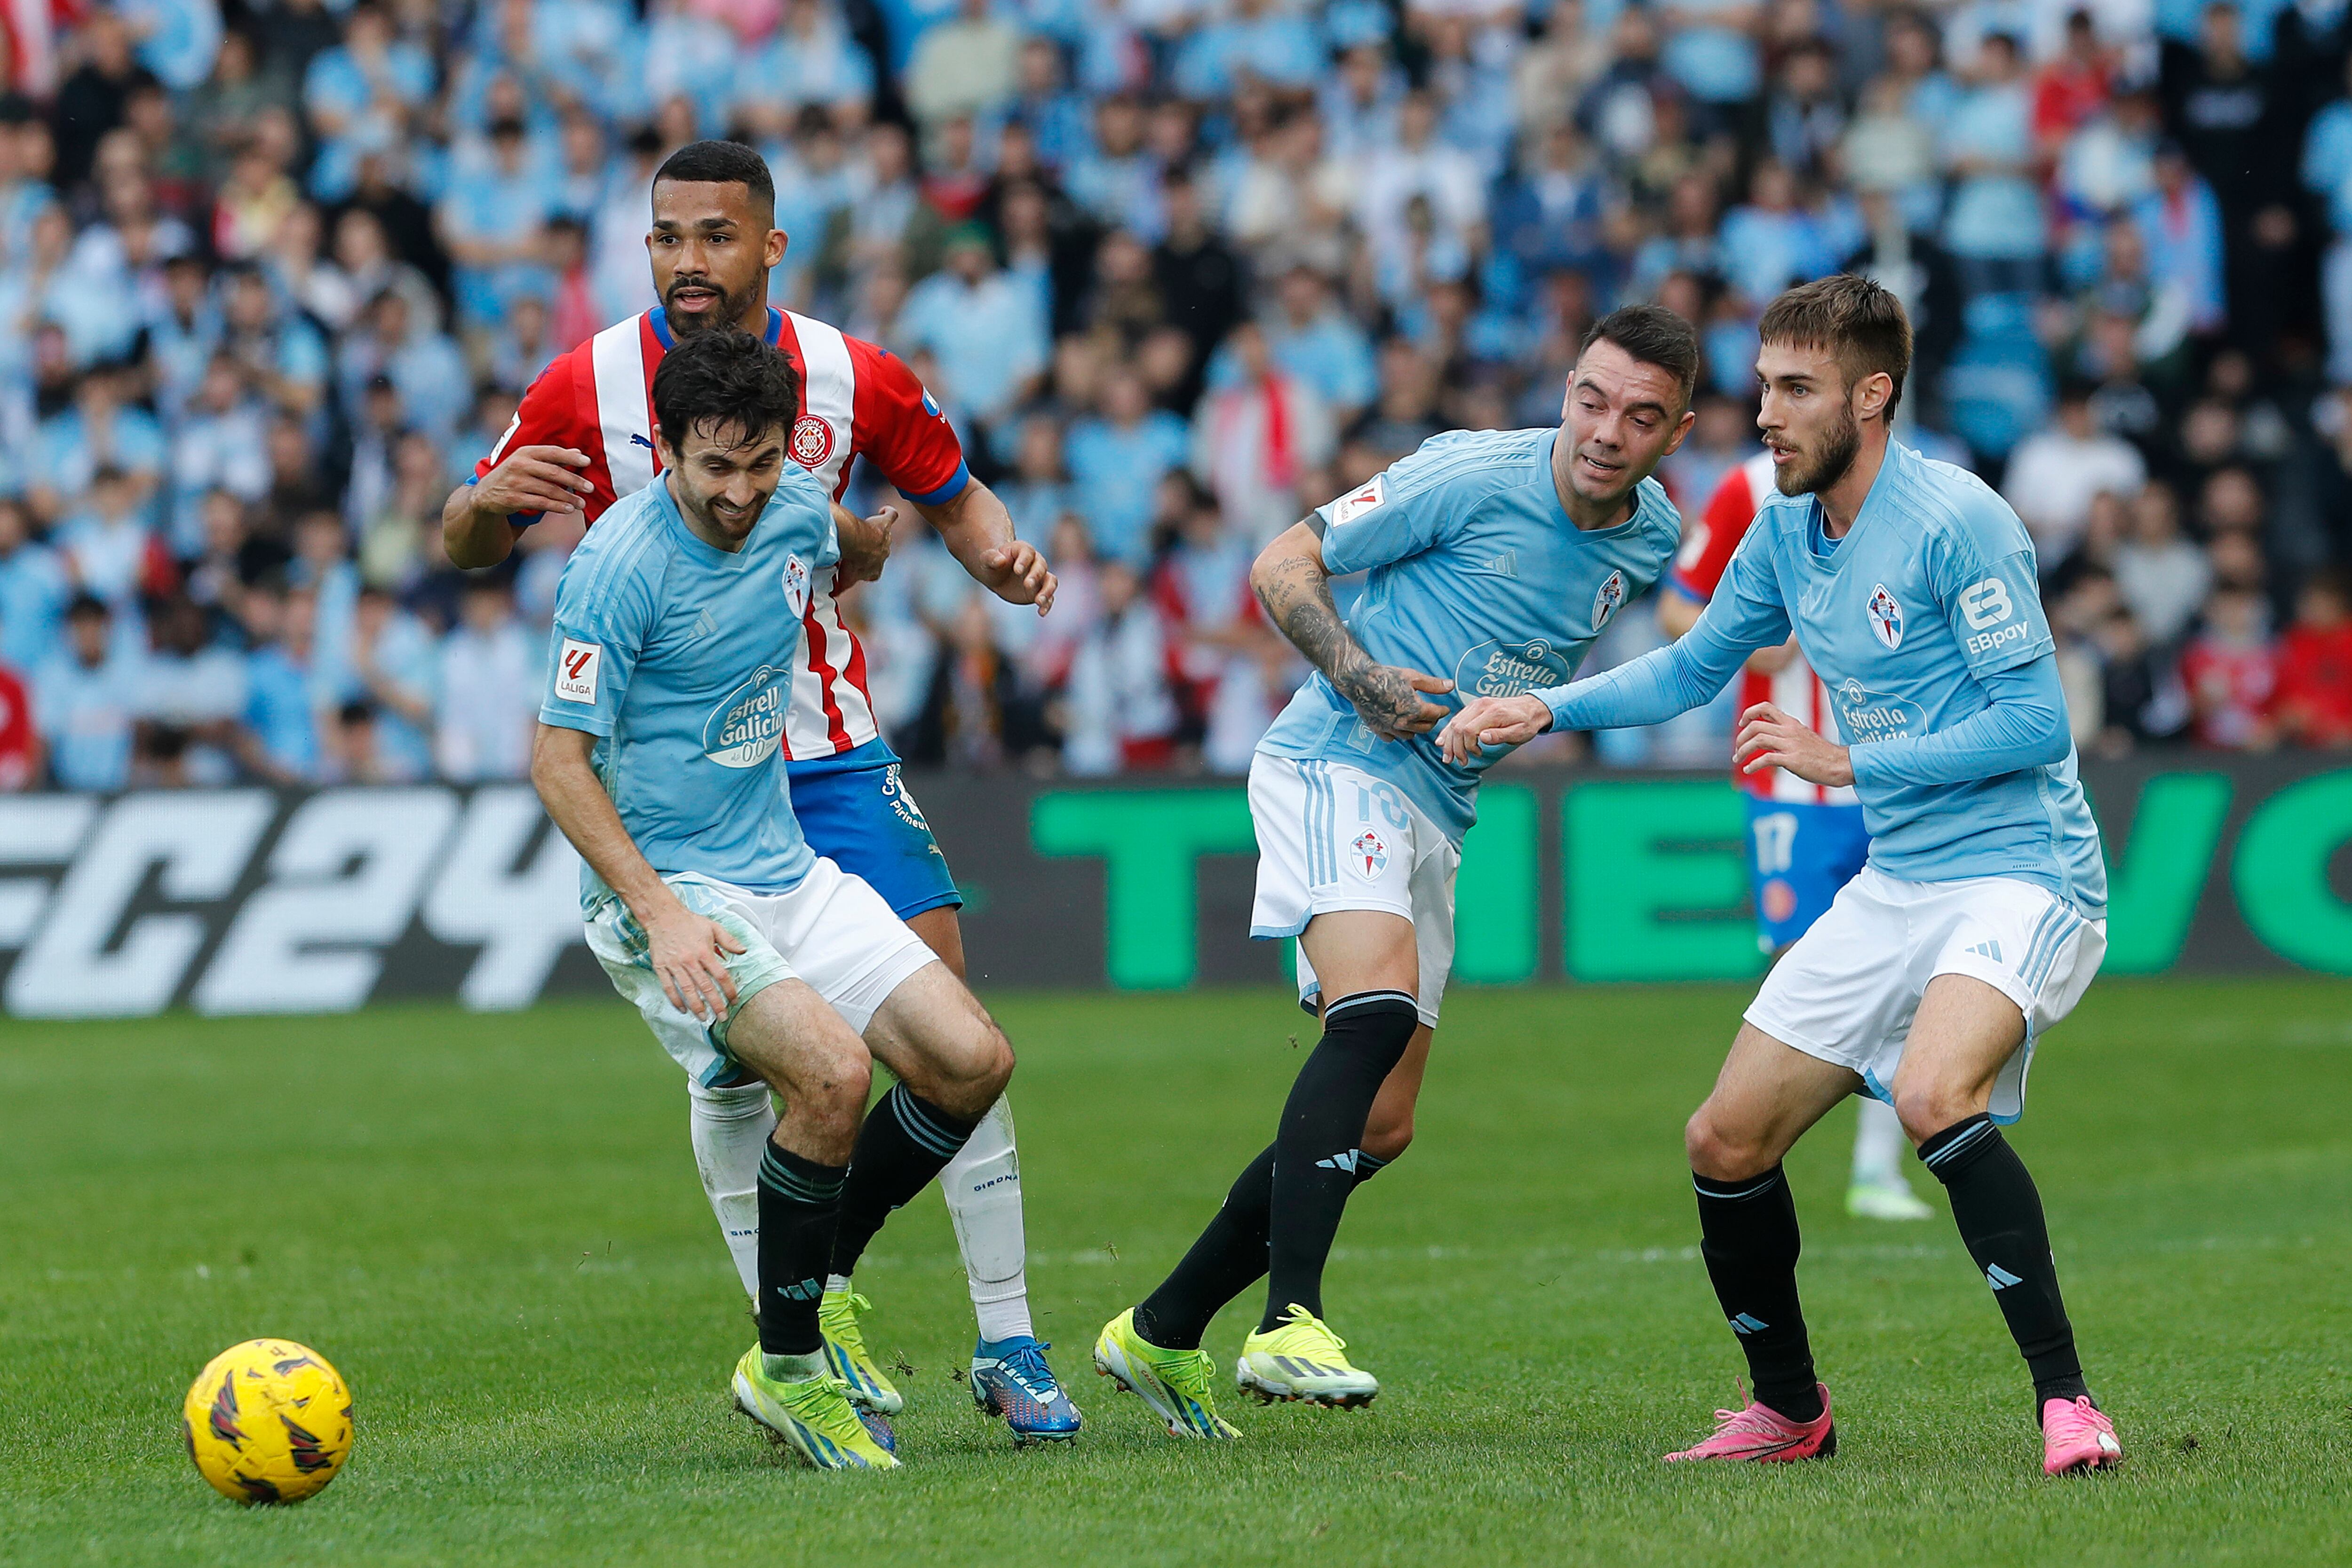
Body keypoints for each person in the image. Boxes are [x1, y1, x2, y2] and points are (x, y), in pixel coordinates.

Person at [441, 139, 1076, 1440]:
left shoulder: (848, 373)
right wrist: (481, 501)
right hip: (668, 786)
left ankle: (1001, 1331)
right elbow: (469, 539)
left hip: (823, 748)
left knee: (952, 1029)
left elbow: (943, 494)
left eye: (713, 238)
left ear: (768, 247)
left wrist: (995, 551)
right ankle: (796, 1335)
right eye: (667, 239)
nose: (688, 262)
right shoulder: (588, 380)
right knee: (760, 1068)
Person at [1443, 276, 2121, 1477]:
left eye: (1795, 388)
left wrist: (1845, 757)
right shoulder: (1781, 527)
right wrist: (1542, 705)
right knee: (1724, 1138)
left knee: (1931, 1096)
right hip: (1901, 879)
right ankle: (1788, 1408)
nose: (1763, 412)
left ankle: (2067, 1401)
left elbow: (2034, 722)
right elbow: (1689, 667)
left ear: (1872, 395)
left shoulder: (1959, 520)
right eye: (1762, 384)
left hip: (2022, 871)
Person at [1092, 306, 1700, 1436]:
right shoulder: (1468, 473)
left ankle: (1161, 1328)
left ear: (1677, 432)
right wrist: (1358, 669)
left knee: (1379, 1127)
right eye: (1592, 399)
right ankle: (1289, 1322)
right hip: (1337, 754)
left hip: (1440, 809)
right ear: (1565, 386)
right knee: (1366, 1011)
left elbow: (1686, 647)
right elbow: (1286, 560)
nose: (1607, 431)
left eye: (1641, 415)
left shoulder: (1653, 533)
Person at [531, 330, 1015, 1472]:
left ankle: (810, 1274)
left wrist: (871, 538)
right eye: (715, 470)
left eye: (758, 463)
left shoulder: (792, 500)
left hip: (786, 868)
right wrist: (658, 912)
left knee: (971, 1061)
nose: (741, 493)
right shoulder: (614, 566)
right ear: (665, 451)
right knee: (834, 1077)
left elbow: (842, 540)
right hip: (669, 888)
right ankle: (791, 1364)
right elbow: (556, 762)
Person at [1662, 450, 1935, 1223]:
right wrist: (1747, 638)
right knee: (1804, 972)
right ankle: (1748, 1146)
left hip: (1886, 766)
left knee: (1910, 970)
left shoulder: (1916, 485)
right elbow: (1678, 607)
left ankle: (1877, 1169)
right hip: (1789, 779)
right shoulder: (1747, 487)